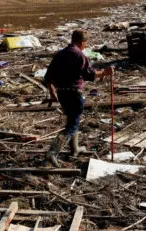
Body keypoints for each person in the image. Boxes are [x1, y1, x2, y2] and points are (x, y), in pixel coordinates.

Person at [44, 30, 114, 168]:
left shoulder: (60, 54)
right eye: (85, 43)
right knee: (72, 124)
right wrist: (105, 72)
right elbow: (89, 74)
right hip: (74, 93)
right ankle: (52, 152)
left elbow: (48, 76)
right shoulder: (79, 55)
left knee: (72, 119)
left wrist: (52, 92)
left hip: (62, 93)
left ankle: (74, 149)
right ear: (82, 42)